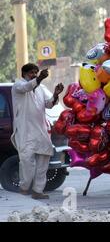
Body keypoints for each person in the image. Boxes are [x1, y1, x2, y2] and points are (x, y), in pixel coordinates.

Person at [11, 63, 64, 199]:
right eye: (32, 73)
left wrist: (56, 94)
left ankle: (37, 191)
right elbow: (26, 87)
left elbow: (49, 104)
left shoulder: (41, 88)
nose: (34, 75)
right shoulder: (18, 85)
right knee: (27, 161)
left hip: (41, 130)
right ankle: (24, 187)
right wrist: (39, 79)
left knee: (43, 161)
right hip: (25, 130)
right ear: (24, 73)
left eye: (36, 73)